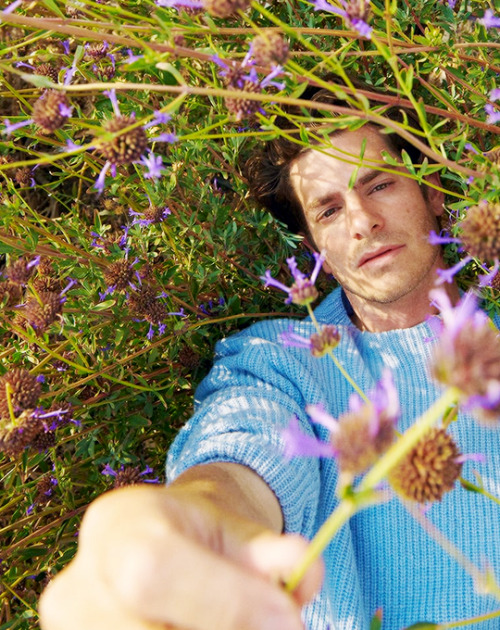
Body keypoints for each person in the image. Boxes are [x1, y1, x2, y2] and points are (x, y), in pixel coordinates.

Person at [38, 85, 500, 630]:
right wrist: (195, 521)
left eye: (379, 184)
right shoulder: (281, 362)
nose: (362, 221)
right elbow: (243, 445)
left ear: (434, 193)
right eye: (330, 210)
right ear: (316, 251)